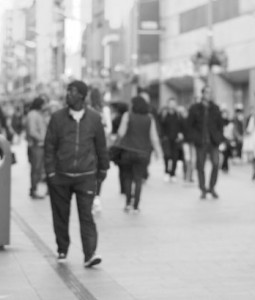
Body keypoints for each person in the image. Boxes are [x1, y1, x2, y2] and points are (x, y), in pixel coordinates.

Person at [44, 80, 109, 268]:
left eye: (72, 92)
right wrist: (50, 173)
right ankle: (62, 249)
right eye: (67, 91)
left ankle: (90, 254)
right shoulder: (57, 118)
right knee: (61, 215)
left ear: (82, 95)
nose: (68, 95)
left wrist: (103, 170)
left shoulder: (94, 119)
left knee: (86, 216)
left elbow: (101, 146)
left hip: (86, 176)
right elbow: (49, 146)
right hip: (60, 177)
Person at [115, 96, 163, 213]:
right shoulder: (149, 118)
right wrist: (159, 152)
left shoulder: (127, 115)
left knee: (127, 177)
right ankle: (136, 206)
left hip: (127, 151)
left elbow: (121, 132)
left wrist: (115, 143)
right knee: (138, 179)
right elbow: (154, 137)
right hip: (143, 153)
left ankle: (127, 203)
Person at [186, 86, 225, 199]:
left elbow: (220, 125)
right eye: (207, 92)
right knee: (200, 166)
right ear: (202, 94)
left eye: (210, 92)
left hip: (213, 142)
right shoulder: (195, 108)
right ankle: (203, 189)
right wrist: (194, 138)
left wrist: (219, 137)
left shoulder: (215, 108)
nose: (209, 95)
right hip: (201, 142)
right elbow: (189, 125)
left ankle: (212, 187)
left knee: (216, 164)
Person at [26, 97, 48, 199]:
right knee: (36, 169)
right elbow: (32, 131)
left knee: (39, 169)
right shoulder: (33, 115)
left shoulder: (38, 114)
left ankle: (35, 189)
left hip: (39, 145)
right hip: (36, 145)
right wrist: (42, 139)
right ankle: (33, 190)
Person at [158, 98, 183, 182]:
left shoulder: (178, 115)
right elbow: (160, 125)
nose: (172, 105)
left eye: (173, 103)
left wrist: (180, 133)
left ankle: (173, 173)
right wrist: (162, 136)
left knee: (175, 157)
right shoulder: (164, 114)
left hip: (176, 139)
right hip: (166, 139)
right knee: (167, 155)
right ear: (167, 104)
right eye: (170, 103)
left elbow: (182, 126)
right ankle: (166, 172)